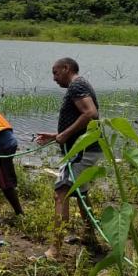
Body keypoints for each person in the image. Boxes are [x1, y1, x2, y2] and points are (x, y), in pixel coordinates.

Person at [35, 57, 103, 260]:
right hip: (86, 148)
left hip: (81, 151)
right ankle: (90, 234)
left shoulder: (76, 85)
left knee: (60, 193)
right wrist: (56, 136)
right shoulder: (80, 85)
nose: (54, 78)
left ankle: (55, 250)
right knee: (81, 192)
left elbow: (91, 113)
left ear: (66, 68)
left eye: (55, 72)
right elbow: (80, 117)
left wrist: (65, 135)